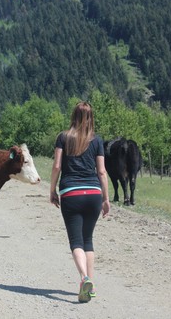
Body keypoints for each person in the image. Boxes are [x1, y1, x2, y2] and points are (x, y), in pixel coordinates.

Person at [49, 101, 110, 303]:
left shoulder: (63, 138)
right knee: (88, 241)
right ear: (91, 118)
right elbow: (101, 171)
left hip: (71, 193)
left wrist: (52, 190)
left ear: (73, 116)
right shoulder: (97, 140)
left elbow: (57, 166)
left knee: (76, 241)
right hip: (93, 193)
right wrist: (106, 198)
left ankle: (84, 279)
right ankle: (89, 285)